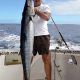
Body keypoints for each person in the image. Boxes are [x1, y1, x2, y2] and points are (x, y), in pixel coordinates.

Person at [31, 0, 52, 80]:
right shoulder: (29, 8)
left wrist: (37, 11)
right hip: (30, 36)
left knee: (46, 58)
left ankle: (49, 78)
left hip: (43, 35)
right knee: (28, 59)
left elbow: (47, 18)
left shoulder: (45, 7)